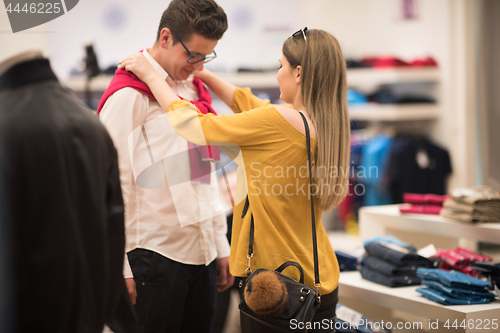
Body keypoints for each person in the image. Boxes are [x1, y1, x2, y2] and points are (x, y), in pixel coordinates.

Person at [119, 27, 351, 332]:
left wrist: (152, 77)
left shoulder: (276, 121)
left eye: (280, 66)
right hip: (320, 279)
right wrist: (203, 75)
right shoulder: (325, 126)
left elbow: (195, 126)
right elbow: (247, 102)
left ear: (298, 73)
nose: (277, 75)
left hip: (279, 284)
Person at [97, 1, 234, 332]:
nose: (198, 65)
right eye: (193, 55)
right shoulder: (130, 95)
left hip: (200, 254)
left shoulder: (193, 90)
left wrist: (219, 243)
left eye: (207, 56)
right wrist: (120, 266)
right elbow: (111, 185)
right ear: (165, 37)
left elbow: (204, 171)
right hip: (151, 255)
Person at [0, 50, 134, 333]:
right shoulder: (91, 124)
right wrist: (104, 308)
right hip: (84, 311)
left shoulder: (6, 120)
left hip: (20, 311)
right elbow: (114, 229)